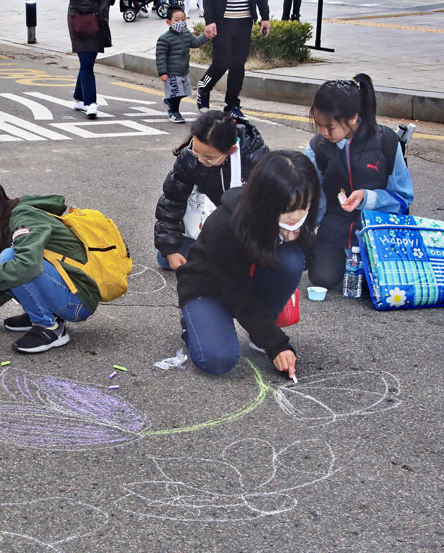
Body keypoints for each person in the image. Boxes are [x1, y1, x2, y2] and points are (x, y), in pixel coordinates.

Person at [176, 150, 319, 378]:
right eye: (289, 209)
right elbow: (237, 293)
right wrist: (277, 344)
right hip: (208, 288)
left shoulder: (297, 214)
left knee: (292, 259)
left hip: (248, 280)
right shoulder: (225, 226)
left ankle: (260, 331)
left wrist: (294, 240)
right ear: (266, 201)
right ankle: (193, 323)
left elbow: (308, 263)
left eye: (305, 205)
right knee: (217, 360)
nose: (297, 215)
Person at [0, 173, 100, 354]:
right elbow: (6, 282)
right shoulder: (2, 222)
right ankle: (40, 314)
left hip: (77, 301)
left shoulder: (23, 217)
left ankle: (49, 328)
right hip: (64, 291)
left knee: (9, 259)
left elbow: (28, 265)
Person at [305, 74, 414, 290]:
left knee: (379, 286)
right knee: (322, 278)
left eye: (330, 127)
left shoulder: (387, 142)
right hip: (335, 230)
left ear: (354, 117)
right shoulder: (318, 146)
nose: (323, 133)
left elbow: (403, 198)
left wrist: (367, 198)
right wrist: (300, 228)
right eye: (319, 125)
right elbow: (310, 194)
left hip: (377, 234)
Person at [154, 110, 269, 270]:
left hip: (244, 227)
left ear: (231, 150)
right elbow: (172, 200)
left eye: (208, 158)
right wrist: (170, 248)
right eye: (196, 150)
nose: (200, 159)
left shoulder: (254, 156)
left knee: (243, 263)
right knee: (165, 258)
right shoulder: (189, 157)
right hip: (211, 221)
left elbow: (269, 205)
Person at [196, 0, 271, 118]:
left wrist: (265, 17)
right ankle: (204, 87)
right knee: (222, 62)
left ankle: (232, 105)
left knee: (238, 64)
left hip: (245, 20)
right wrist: (209, 20)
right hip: (222, 20)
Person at [155, 4, 209, 123]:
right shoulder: (165, 38)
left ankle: (168, 101)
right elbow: (160, 57)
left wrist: (206, 36)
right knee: (176, 93)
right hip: (171, 72)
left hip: (183, 71)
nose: (181, 22)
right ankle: (174, 112)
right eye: (177, 20)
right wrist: (162, 72)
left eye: (183, 20)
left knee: (183, 93)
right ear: (169, 22)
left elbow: (195, 43)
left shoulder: (186, 34)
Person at [68, 0, 113, 119]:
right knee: (86, 63)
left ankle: (79, 99)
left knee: (87, 64)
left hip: (97, 23)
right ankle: (90, 103)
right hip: (81, 21)